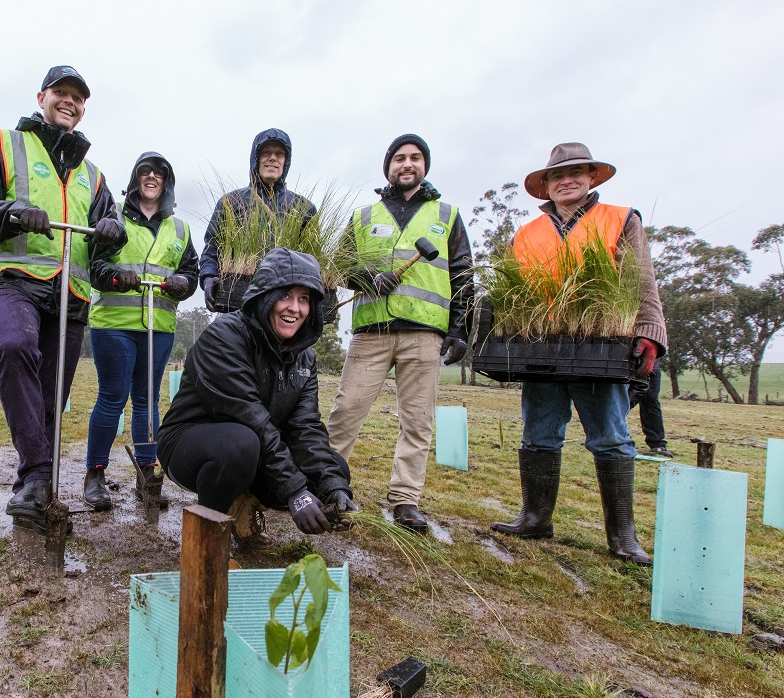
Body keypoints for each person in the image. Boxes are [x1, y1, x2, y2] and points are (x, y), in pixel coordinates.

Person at [0, 65, 125, 532]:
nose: (69, 102)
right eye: (61, 93)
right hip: (16, 281)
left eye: (78, 97)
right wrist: (12, 212)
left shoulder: (94, 174)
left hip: (70, 294)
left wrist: (113, 231)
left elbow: (110, 238)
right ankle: (34, 476)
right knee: (14, 347)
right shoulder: (5, 144)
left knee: (52, 397)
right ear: (42, 96)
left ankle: (36, 491)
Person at [490, 143, 667, 566]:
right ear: (546, 186)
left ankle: (623, 536)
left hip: (600, 350)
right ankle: (535, 518)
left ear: (592, 178)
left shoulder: (620, 219)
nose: (566, 181)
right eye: (557, 176)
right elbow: (514, 293)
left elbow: (642, 280)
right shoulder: (527, 232)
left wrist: (650, 334)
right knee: (539, 432)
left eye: (577, 173)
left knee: (610, 436)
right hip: (542, 349)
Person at [157, 247, 356, 548]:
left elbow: (306, 428)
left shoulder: (304, 358)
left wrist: (331, 485)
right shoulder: (225, 337)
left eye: (304, 299)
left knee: (334, 468)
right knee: (241, 445)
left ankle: (244, 504)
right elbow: (251, 418)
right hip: (193, 445)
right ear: (264, 296)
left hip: (257, 447)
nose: (295, 308)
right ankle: (207, 540)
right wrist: (294, 491)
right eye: (285, 295)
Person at [327, 134, 473, 533]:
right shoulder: (363, 216)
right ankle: (328, 484)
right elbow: (338, 269)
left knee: (417, 420)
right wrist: (370, 278)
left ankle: (405, 500)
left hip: (425, 335)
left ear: (424, 166)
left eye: (415, 158)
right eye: (399, 158)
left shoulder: (447, 215)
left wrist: (460, 329)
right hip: (371, 332)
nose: (407, 164)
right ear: (387, 166)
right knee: (345, 412)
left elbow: (462, 275)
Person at [85, 152, 199, 510]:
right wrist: (117, 278)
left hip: (159, 328)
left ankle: (147, 474)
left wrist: (182, 283)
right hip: (114, 325)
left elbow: (191, 273)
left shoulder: (179, 229)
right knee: (113, 397)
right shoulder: (113, 216)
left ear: (167, 182)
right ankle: (95, 474)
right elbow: (95, 265)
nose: (152, 177)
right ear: (136, 178)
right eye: (145, 172)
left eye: (160, 173)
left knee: (148, 400)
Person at [199, 128, 316, 312]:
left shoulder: (302, 208)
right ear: (256, 158)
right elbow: (211, 248)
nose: (272, 158)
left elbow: (313, 261)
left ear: (286, 162)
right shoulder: (231, 203)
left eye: (279, 154)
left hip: (285, 306)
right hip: (236, 303)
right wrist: (208, 277)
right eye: (266, 153)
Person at [629, 364, 673, 457]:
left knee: (650, 400)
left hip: (651, 362)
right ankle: (611, 439)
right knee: (620, 401)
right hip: (621, 362)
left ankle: (657, 444)